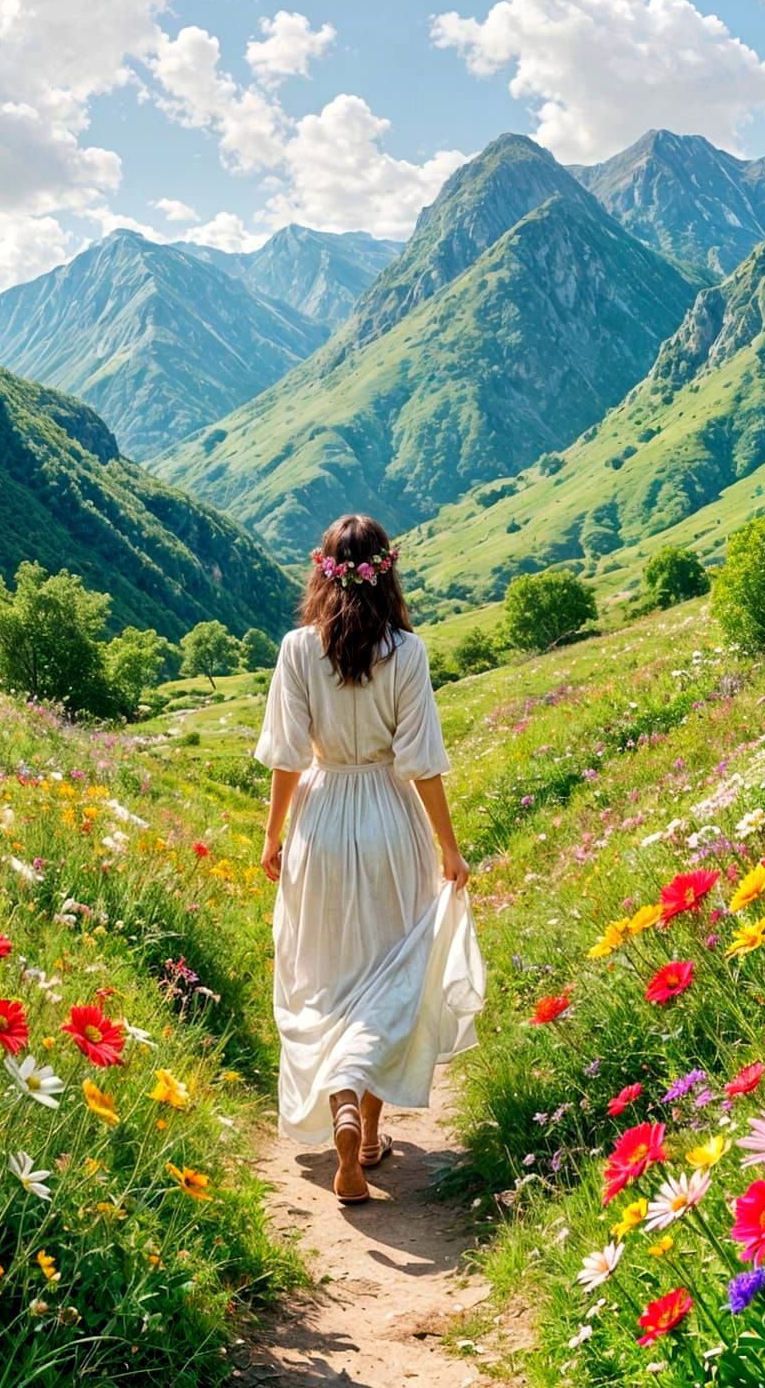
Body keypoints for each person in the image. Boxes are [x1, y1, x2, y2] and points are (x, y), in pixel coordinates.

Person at [255, 515, 487, 1203]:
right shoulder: (406, 653)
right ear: (387, 571)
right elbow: (422, 763)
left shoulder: (299, 650)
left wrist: (273, 836)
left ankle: (342, 1111)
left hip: (322, 819)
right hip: (389, 818)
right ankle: (372, 1129)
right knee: (392, 970)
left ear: (321, 569)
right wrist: (449, 848)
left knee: (323, 974)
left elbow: (287, 757)